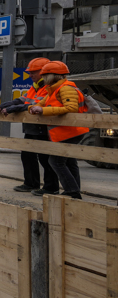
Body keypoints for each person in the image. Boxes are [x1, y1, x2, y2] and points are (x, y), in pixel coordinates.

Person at [0, 58, 59, 195]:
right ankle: (31, 183)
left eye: (33, 72)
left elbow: (33, 105)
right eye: (30, 72)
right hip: (33, 127)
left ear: (43, 72)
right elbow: (22, 100)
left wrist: (12, 108)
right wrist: (4, 105)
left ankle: (51, 187)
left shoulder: (47, 88)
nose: (30, 75)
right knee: (27, 155)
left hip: (43, 128)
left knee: (45, 158)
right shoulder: (35, 86)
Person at [28, 60, 88, 200]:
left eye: (44, 75)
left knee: (56, 162)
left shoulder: (65, 88)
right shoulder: (53, 89)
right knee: (69, 162)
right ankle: (74, 191)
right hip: (68, 131)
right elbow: (38, 104)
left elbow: (71, 108)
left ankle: (72, 191)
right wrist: (32, 107)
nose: (42, 78)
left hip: (71, 131)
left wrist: (43, 110)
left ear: (53, 75)